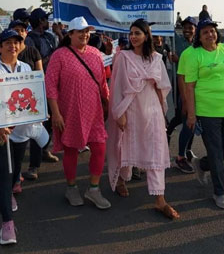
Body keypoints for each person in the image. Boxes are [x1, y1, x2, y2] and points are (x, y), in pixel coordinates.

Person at [107, 20, 179, 219]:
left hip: (152, 110)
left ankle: (160, 199)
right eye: (131, 33)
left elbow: (162, 86)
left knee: (156, 151)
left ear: (147, 36)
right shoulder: (123, 57)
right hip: (130, 109)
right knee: (127, 146)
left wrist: (162, 112)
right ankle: (122, 179)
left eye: (137, 33)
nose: (133, 37)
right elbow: (117, 87)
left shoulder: (156, 58)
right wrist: (119, 113)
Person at [45, 16, 111, 210]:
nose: (84, 35)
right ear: (70, 34)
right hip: (70, 111)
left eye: (87, 31)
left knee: (100, 148)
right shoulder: (59, 55)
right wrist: (56, 113)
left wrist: (107, 102)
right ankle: (71, 187)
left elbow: (102, 82)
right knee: (71, 150)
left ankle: (94, 189)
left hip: (94, 111)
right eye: (80, 31)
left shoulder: (96, 53)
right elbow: (50, 85)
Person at [0, 28, 35, 245]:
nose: (13, 46)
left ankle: (8, 192)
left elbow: (32, 96)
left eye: (16, 42)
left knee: (15, 168)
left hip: (20, 130)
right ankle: (7, 224)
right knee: (2, 172)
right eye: (8, 42)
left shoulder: (26, 67)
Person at [182, 19, 224, 209]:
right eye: (205, 32)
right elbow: (189, 87)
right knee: (216, 151)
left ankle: (202, 164)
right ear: (199, 37)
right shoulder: (195, 55)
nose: (210, 34)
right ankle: (219, 192)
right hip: (207, 110)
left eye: (212, 31)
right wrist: (191, 114)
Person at [7, 20, 46, 182]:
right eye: (16, 30)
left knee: (34, 133)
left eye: (22, 30)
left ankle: (33, 166)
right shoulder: (6, 54)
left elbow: (39, 76)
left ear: (26, 33)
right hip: (11, 104)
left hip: (29, 102)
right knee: (14, 141)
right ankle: (14, 174)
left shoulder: (32, 51)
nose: (19, 33)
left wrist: (41, 105)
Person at [26, 8, 59, 163]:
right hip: (39, 85)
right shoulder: (30, 40)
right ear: (40, 21)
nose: (48, 22)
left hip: (54, 82)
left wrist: (59, 33)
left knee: (51, 120)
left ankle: (45, 149)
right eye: (45, 19)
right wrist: (50, 57)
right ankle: (35, 162)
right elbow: (32, 64)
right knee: (39, 122)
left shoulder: (50, 36)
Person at [166, 16, 197, 173]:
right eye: (185, 27)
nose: (187, 30)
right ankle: (181, 155)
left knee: (188, 120)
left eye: (190, 27)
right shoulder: (177, 41)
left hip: (196, 88)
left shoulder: (198, 44)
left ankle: (187, 148)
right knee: (185, 119)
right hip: (181, 86)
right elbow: (168, 28)